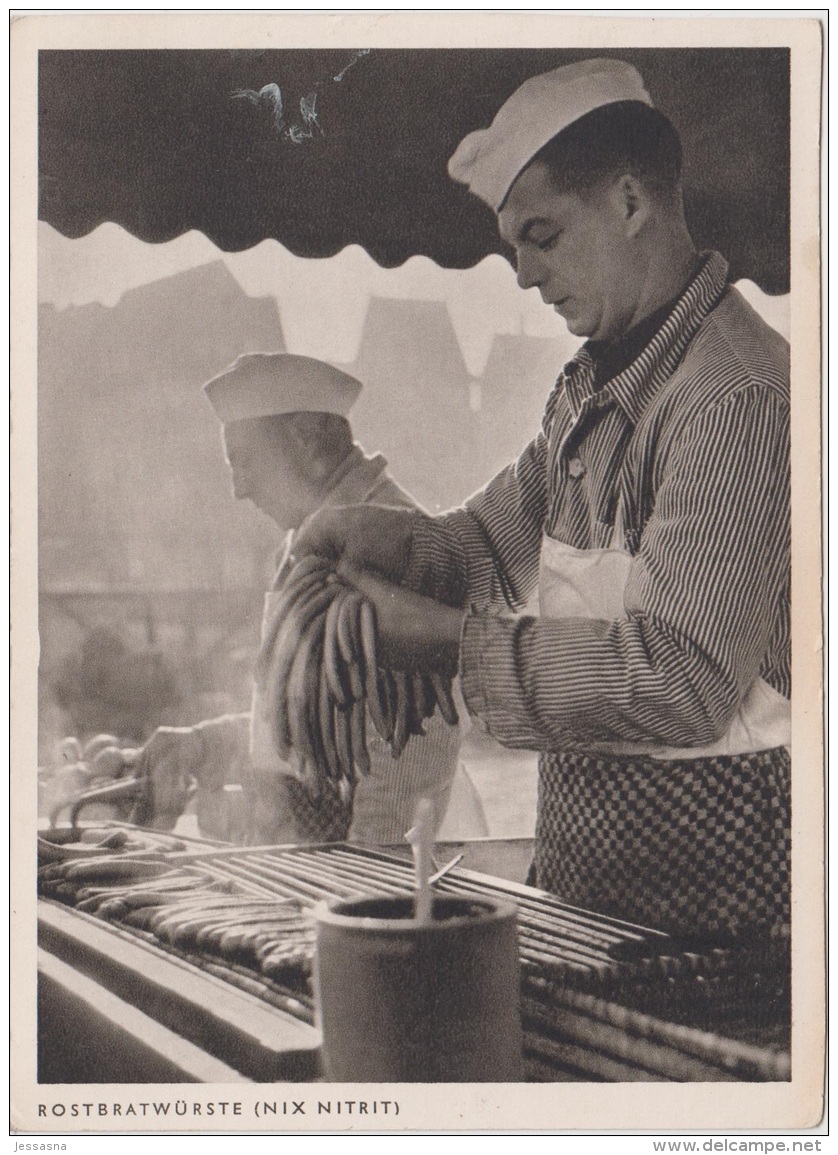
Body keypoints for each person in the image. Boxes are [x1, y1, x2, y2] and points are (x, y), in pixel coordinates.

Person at [293, 58, 791, 944]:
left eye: (542, 235)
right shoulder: (591, 388)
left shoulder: (735, 397)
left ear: (631, 204)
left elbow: (683, 684)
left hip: (726, 926)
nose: (523, 274)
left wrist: (446, 645)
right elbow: (487, 546)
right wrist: (384, 540)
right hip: (590, 897)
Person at [141, 353, 488, 846]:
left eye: (244, 462)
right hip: (317, 863)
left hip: (388, 880)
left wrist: (362, 893)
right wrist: (206, 743)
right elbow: (312, 718)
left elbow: (407, 762)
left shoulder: (392, 541)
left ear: (303, 443)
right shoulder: (304, 536)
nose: (239, 489)